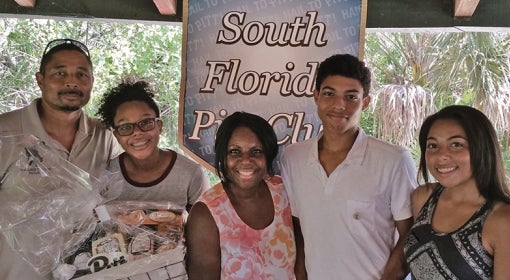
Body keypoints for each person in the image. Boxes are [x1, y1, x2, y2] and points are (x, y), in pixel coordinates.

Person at [280, 54, 417, 279]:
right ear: (316, 97)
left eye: (351, 96)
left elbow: (410, 236)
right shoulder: (293, 158)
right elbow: (298, 231)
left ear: (365, 102)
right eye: (329, 94)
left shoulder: (393, 160)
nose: (338, 105)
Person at [0, 38, 121, 280]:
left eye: (81, 74)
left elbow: (120, 200)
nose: (71, 81)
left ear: (92, 82)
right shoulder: (5, 132)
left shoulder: (104, 136)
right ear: (40, 79)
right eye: (60, 72)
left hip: (87, 272)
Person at [185, 111, 305, 279]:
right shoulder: (206, 213)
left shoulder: (283, 191)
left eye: (256, 151)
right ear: (222, 156)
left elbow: (301, 259)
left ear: (268, 155)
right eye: (235, 151)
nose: (246, 160)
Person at [404, 105, 510, 279]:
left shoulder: (502, 220)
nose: (441, 155)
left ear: (482, 148)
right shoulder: (423, 198)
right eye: (432, 145)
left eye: (456, 144)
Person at [96, 77, 209, 211]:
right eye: (125, 127)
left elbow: (206, 223)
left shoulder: (190, 174)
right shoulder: (107, 174)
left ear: (159, 126)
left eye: (146, 122)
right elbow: (99, 220)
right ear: (116, 135)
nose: (137, 132)